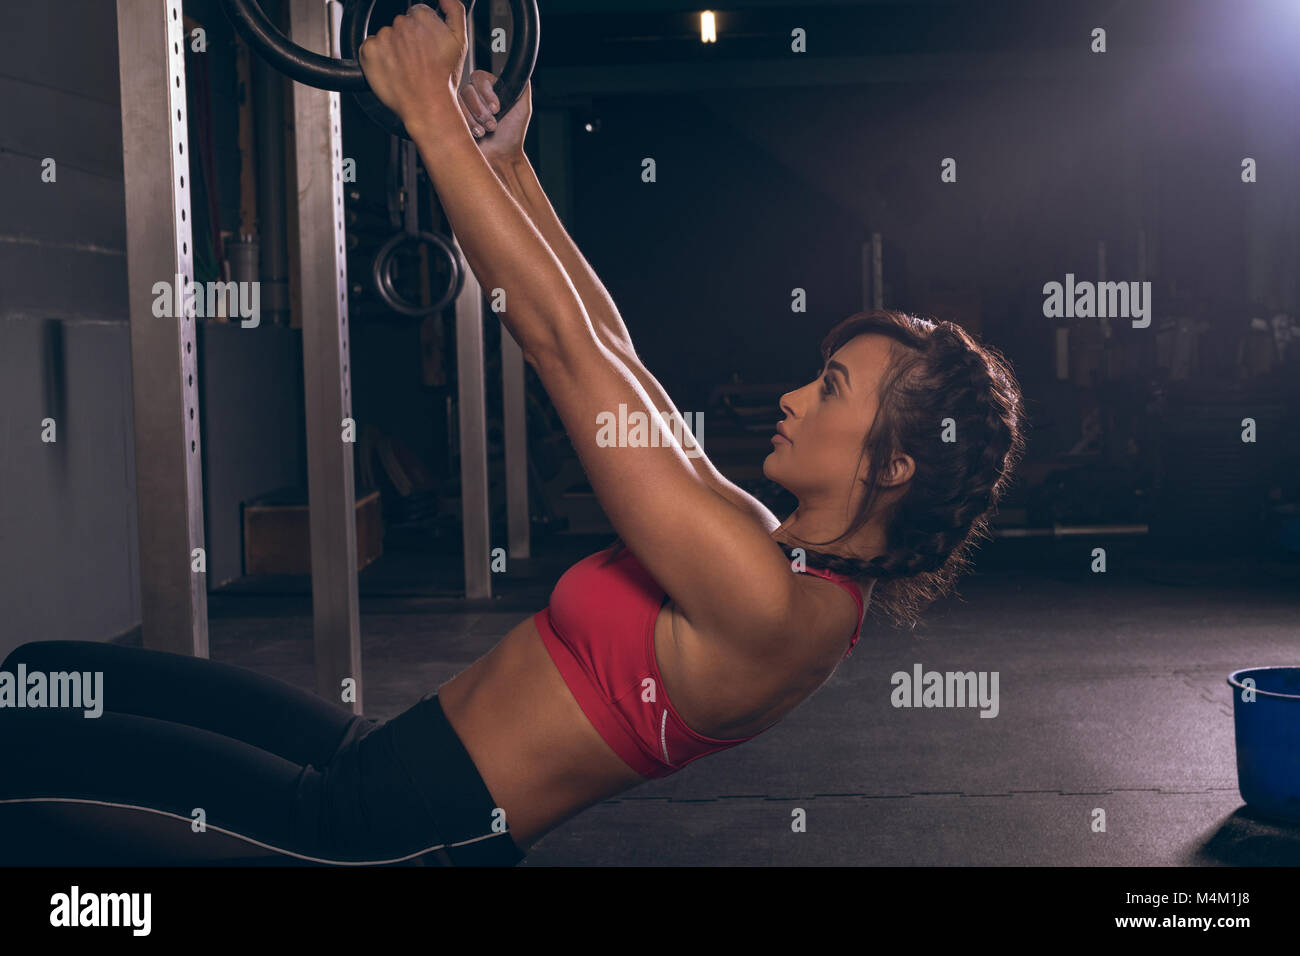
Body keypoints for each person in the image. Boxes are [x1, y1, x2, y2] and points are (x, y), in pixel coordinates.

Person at [0, 1, 1025, 867]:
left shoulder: (766, 601)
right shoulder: (774, 550)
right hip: (374, 756)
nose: (796, 396)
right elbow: (613, 351)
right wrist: (509, 164)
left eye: (833, 388)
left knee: (31, 780)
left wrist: (434, 125)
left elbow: (562, 353)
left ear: (892, 461)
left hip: (367, 833)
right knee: (51, 671)